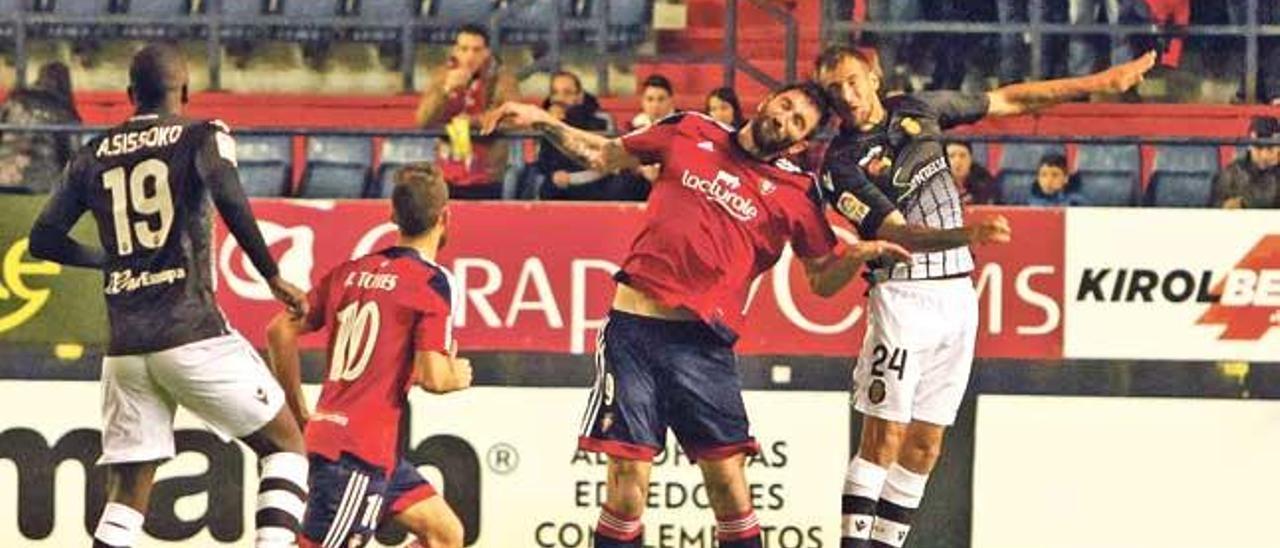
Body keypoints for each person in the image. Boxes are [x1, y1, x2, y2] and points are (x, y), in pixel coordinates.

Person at [483, 82, 912, 548]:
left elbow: (821, 279)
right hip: (633, 334)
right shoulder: (689, 129)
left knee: (729, 487)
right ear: (767, 100)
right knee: (627, 486)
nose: (783, 120)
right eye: (785, 106)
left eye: (797, 122)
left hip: (703, 348)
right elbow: (604, 155)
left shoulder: (796, 191)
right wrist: (542, 121)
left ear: (801, 141)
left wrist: (853, 258)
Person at [813, 44, 1153, 548]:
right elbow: (899, 235)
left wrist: (1100, 82)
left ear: (875, 76)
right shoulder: (839, 164)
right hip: (902, 296)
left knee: (926, 445)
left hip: (956, 298)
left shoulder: (918, 110)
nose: (846, 94)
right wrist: (968, 236)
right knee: (882, 439)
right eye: (833, 89)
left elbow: (1010, 100)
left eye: (852, 80)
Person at [26, 44, 310, 548]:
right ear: (185, 90)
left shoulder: (91, 154)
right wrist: (270, 273)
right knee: (286, 447)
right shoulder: (203, 134)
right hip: (192, 332)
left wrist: (109, 259)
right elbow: (225, 188)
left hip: (126, 349)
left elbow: (43, 240)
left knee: (128, 491)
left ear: (130, 95)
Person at [265, 163, 471, 548]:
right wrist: (458, 373)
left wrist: (298, 410)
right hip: (357, 453)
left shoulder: (351, 271)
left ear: (393, 216)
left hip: (362, 446)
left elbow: (279, 330)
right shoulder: (432, 282)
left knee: (445, 535)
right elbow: (434, 377)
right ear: (446, 216)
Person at [414, 24, 518, 199]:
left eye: (476, 50)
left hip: (486, 172)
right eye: (464, 49)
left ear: (487, 52)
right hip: (447, 171)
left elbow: (513, 119)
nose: (470, 56)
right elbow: (423, 120)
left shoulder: (503, 79)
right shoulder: (442, 75)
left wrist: (473, 121)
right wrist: (445, 90)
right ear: (455, 51)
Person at [536, 70, 642, 201]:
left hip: (596, 183)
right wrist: (553, 174)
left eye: (567, 93)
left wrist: (570, 120)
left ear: (580, 96)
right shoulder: (545, 120)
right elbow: (543, 162)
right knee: (542, 185)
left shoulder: (601, 120)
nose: (560, 98)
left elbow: (605, 162)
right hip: (560, 184)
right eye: (555, 92)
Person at [0, 62, 82, 192]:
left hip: (4, 177)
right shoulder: (64, 112)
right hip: (42, 181)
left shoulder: (14, 101)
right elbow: (74, 157)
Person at [1211, 116, 1280, 209]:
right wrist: (1225, 206)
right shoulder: (1232, 174)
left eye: (1270, 149)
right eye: (1258, 148)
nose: (1264, 156)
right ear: (1249, 147)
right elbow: (1212, 210)